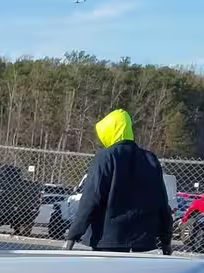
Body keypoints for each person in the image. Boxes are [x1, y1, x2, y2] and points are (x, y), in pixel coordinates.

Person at [64, 109, 173, 255]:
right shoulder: (149, 159)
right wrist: (166, 240)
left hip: (108, 238)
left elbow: (91, 198)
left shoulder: (106, 157)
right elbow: (161, 201)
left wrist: (73, 236)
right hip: (142, 240)